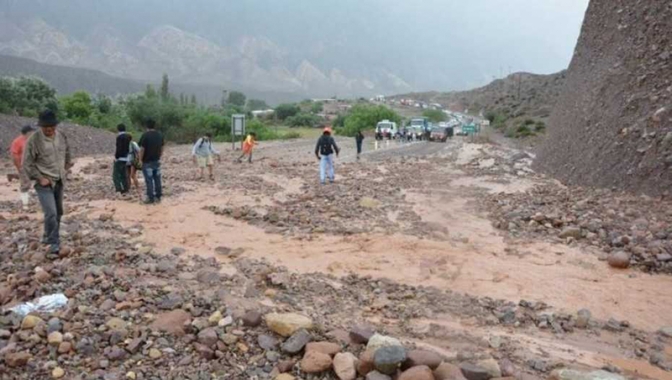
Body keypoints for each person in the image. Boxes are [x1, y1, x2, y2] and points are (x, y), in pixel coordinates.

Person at [22, 110, 72, 257]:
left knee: (59, 212)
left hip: (59, 180)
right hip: (44, 183)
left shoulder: (61, 136)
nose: (49, 129)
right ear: (40, 127)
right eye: (45, 127)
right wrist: (39, 178)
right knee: (51, 213)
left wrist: (66, 167)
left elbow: (67, 152)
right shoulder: (34, 140)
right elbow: (27, 163)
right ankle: (53, 244)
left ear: (55, 125)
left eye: (51, 126)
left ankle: (47, 235)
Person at [138, 118, 164, 204]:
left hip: (147, 161)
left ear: (146, 126)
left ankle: (150, 197)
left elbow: (142, 149)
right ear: (154, 126)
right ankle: (158, 196)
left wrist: (140, 160)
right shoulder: (159, 135)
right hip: (156, 160)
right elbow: (162, 148)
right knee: (157, 179)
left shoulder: (145, 135)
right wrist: (159, 156)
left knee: (149, 180)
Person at [10, 125, 35, 209]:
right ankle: (25, 204)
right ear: (28, 132)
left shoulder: (32, 141)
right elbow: (14, 155)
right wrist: (19, 167)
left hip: (33, 165)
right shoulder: (17, 142)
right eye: (32, 132)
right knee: (25, 184)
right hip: (23, 165)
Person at [113, 124, 132, 194]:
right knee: (124, 174)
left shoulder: (119, 137)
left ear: (118, 129)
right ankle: (126, 188)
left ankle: (119, 188)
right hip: (126, 158)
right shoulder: (128, 137)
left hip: (120, 158)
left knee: (116, 175)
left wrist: (116, 157)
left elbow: (119, 148)